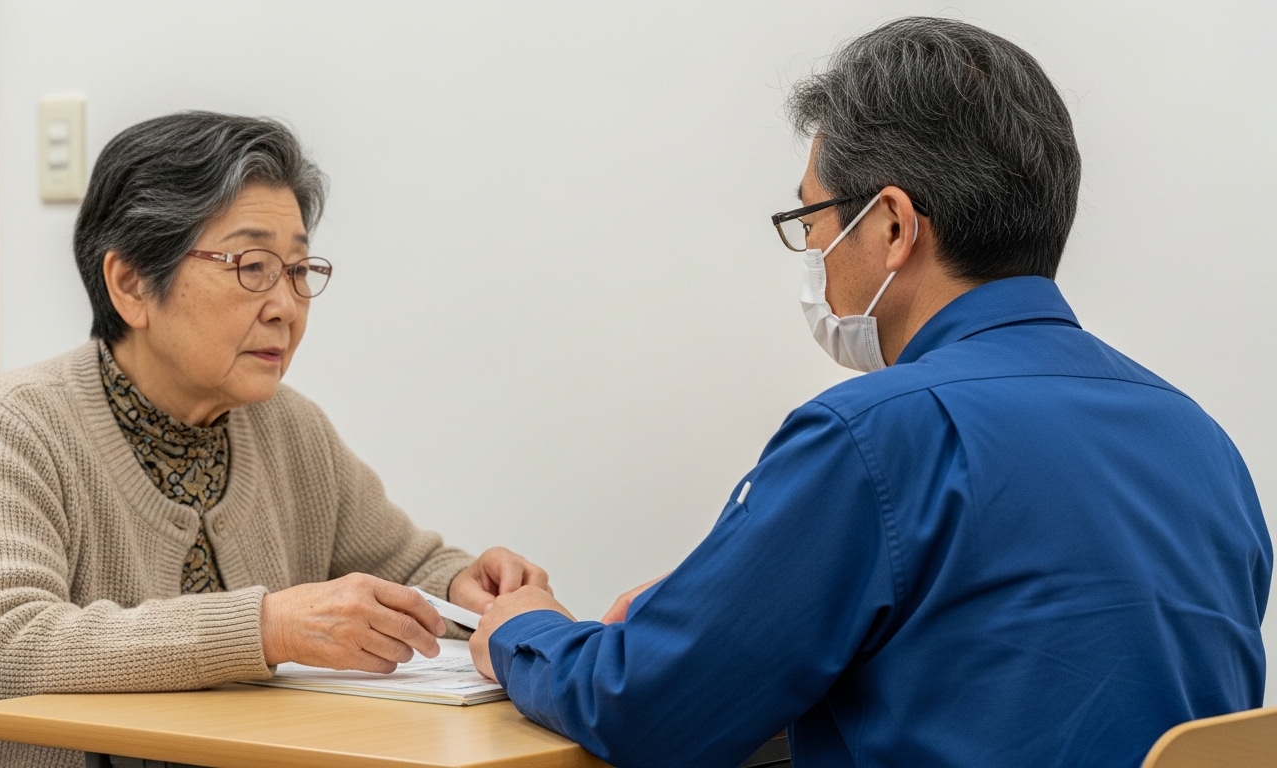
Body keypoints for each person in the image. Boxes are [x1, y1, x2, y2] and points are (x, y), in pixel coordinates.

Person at [470, 17, 1271, 768]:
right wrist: (726, 603)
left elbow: (645, 709)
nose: (813, 250)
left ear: (891, 224)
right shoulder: (1196, 437)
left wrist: (524, 630)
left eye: (812, 221)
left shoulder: (878, 435)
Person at [0, 112, 550, 767]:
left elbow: (401, 564)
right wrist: (269, 628)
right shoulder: (11, 425)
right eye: (253, 265)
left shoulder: (290, 428)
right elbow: (2, 647)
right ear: (131, 284)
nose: (285, 306)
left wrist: (467, 585)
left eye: (298, 271)